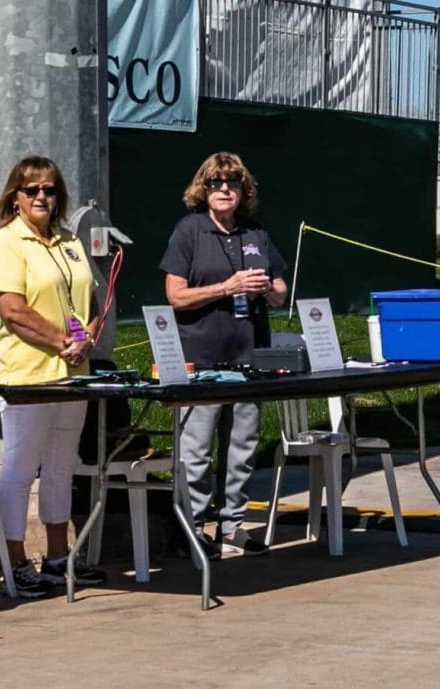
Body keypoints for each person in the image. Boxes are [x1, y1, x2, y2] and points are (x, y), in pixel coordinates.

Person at [0, 155, 107, 598]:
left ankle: (58, 558)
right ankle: (15, 562)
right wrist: (61, 341)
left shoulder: (69, 241)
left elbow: (90, 304)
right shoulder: (6, 242)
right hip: (28, 378)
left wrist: (87, 338)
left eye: (49, 190)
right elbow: (12, 310)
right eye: (31, 189)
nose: (41, 196)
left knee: (60, 466)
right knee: (19, 470)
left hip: (74, 375)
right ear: (14, 197)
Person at [159, 152, 288, 556]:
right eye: (216, 182)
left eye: (233, 182)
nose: (225, 189)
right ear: (203, 188)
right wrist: (226, 288)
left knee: (243, 447)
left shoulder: (256, 234)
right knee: (196, 451)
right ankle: (193, 527)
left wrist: (266, 289)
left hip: (250, 358)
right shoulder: (189, 231)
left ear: (244, 190)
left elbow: (282, 293)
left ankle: (233, 527)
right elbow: (175, 296)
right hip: (203, 361)